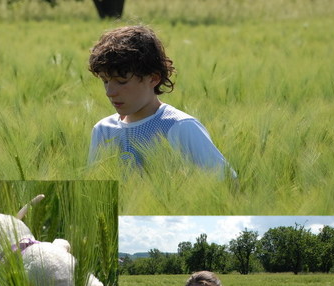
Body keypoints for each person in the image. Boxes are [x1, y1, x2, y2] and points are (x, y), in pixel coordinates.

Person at [87, 25, 235, 177]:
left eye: (122, 81)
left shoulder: (180, 127)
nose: (109, 92)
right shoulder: (103, 130)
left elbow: (227, 182)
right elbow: (97, 194)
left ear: (153, 78)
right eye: (105, 81)